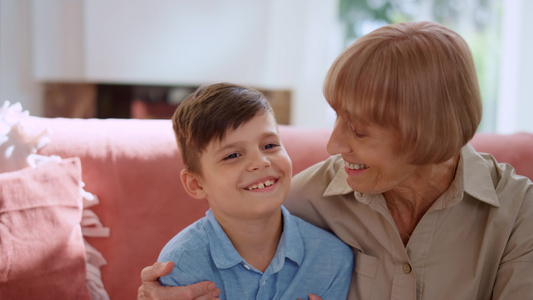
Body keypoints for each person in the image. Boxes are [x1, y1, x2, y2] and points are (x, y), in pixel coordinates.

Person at [138, 21, 533, 300]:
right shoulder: (301, 199)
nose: (332, 145)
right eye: (336, 118)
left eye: (359, 131)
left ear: (425, 135)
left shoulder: (518, 213)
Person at [153, 83, 353, 300]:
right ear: (196, 184)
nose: (260, 162)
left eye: (269, 146)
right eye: (232, 156)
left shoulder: (333, 257)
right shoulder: (181, 263)